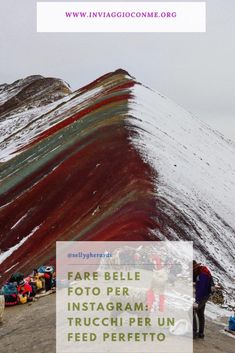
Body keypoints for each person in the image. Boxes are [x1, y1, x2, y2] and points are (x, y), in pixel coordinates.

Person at [193, 260, 214, 339]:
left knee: (191, 311)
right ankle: (201, 333)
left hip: (203, 296)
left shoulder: (202, 275)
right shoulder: (202, 271)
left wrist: (197, 301)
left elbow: (201, 289)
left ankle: (194, 332)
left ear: (195, 268)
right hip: (205, 295)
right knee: (200, 313)